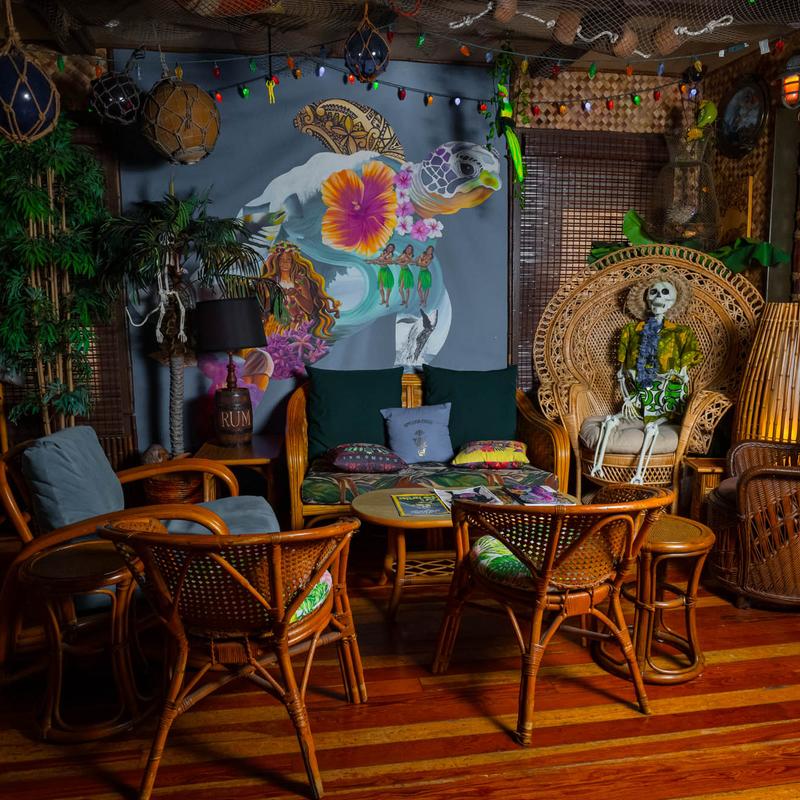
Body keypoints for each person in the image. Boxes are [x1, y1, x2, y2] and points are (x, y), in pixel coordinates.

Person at [590, 273, 702, 484]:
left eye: (665, 293)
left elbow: (683, 374)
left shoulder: (682, 334)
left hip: (666, 397)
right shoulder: (631, 331)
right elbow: (622, 372)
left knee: (653, 421)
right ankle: (598, 468)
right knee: (612, 421)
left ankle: (638, 475)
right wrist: (630, 395)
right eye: (654, 292)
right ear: (646, 298)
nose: (659, 297)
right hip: (638, 395)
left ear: (674, 300)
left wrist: (672, 383)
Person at [261, 241, 340, 337]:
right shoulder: (271, 281)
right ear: (276, 261)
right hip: (276, 324)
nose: (285, 263)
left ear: (294, 261)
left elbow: (309, 309)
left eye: (288, 260)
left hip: (298, 324)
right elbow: (265, 307)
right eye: (281, 259)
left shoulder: (301, 280)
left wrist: (296, 294)